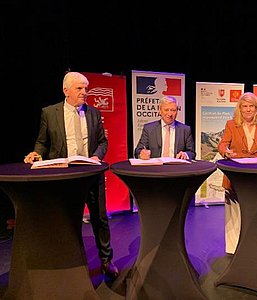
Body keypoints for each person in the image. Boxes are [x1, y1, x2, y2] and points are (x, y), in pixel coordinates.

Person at [23, 72, 119, 279]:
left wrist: (96, 157)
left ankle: (106, 261)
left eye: (86, 88)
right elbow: (42, 142)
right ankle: (71, 262)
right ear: (66, 90)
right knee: (68, 220)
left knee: (100, 219)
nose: (85, 92)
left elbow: (103, 142)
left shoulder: (93, 113)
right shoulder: (49, 113)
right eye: (79, 88)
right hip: (64, 177)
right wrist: (36, 153)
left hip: (91, 174)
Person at [217, 92, 257, 254]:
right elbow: (222, 144)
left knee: (253, 212)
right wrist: (225, 152)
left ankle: (251, 246)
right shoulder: (231, 124)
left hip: (255, 176)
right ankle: (234, 249)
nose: (248, 110)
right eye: (244, 106)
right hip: (235, 175)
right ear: (239, 109)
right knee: (234, 213)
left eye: (251, 106)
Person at [134, 96, 195, 160]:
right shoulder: (149, 129)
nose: (170, 114)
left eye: (173, 110)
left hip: (177, 167)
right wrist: (142, 154)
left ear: (177, 111)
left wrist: (186, 154)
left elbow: (192, 153)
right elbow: (137, 151)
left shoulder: (185, 130)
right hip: (155, 168)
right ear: (160, 111)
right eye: (166, 110)